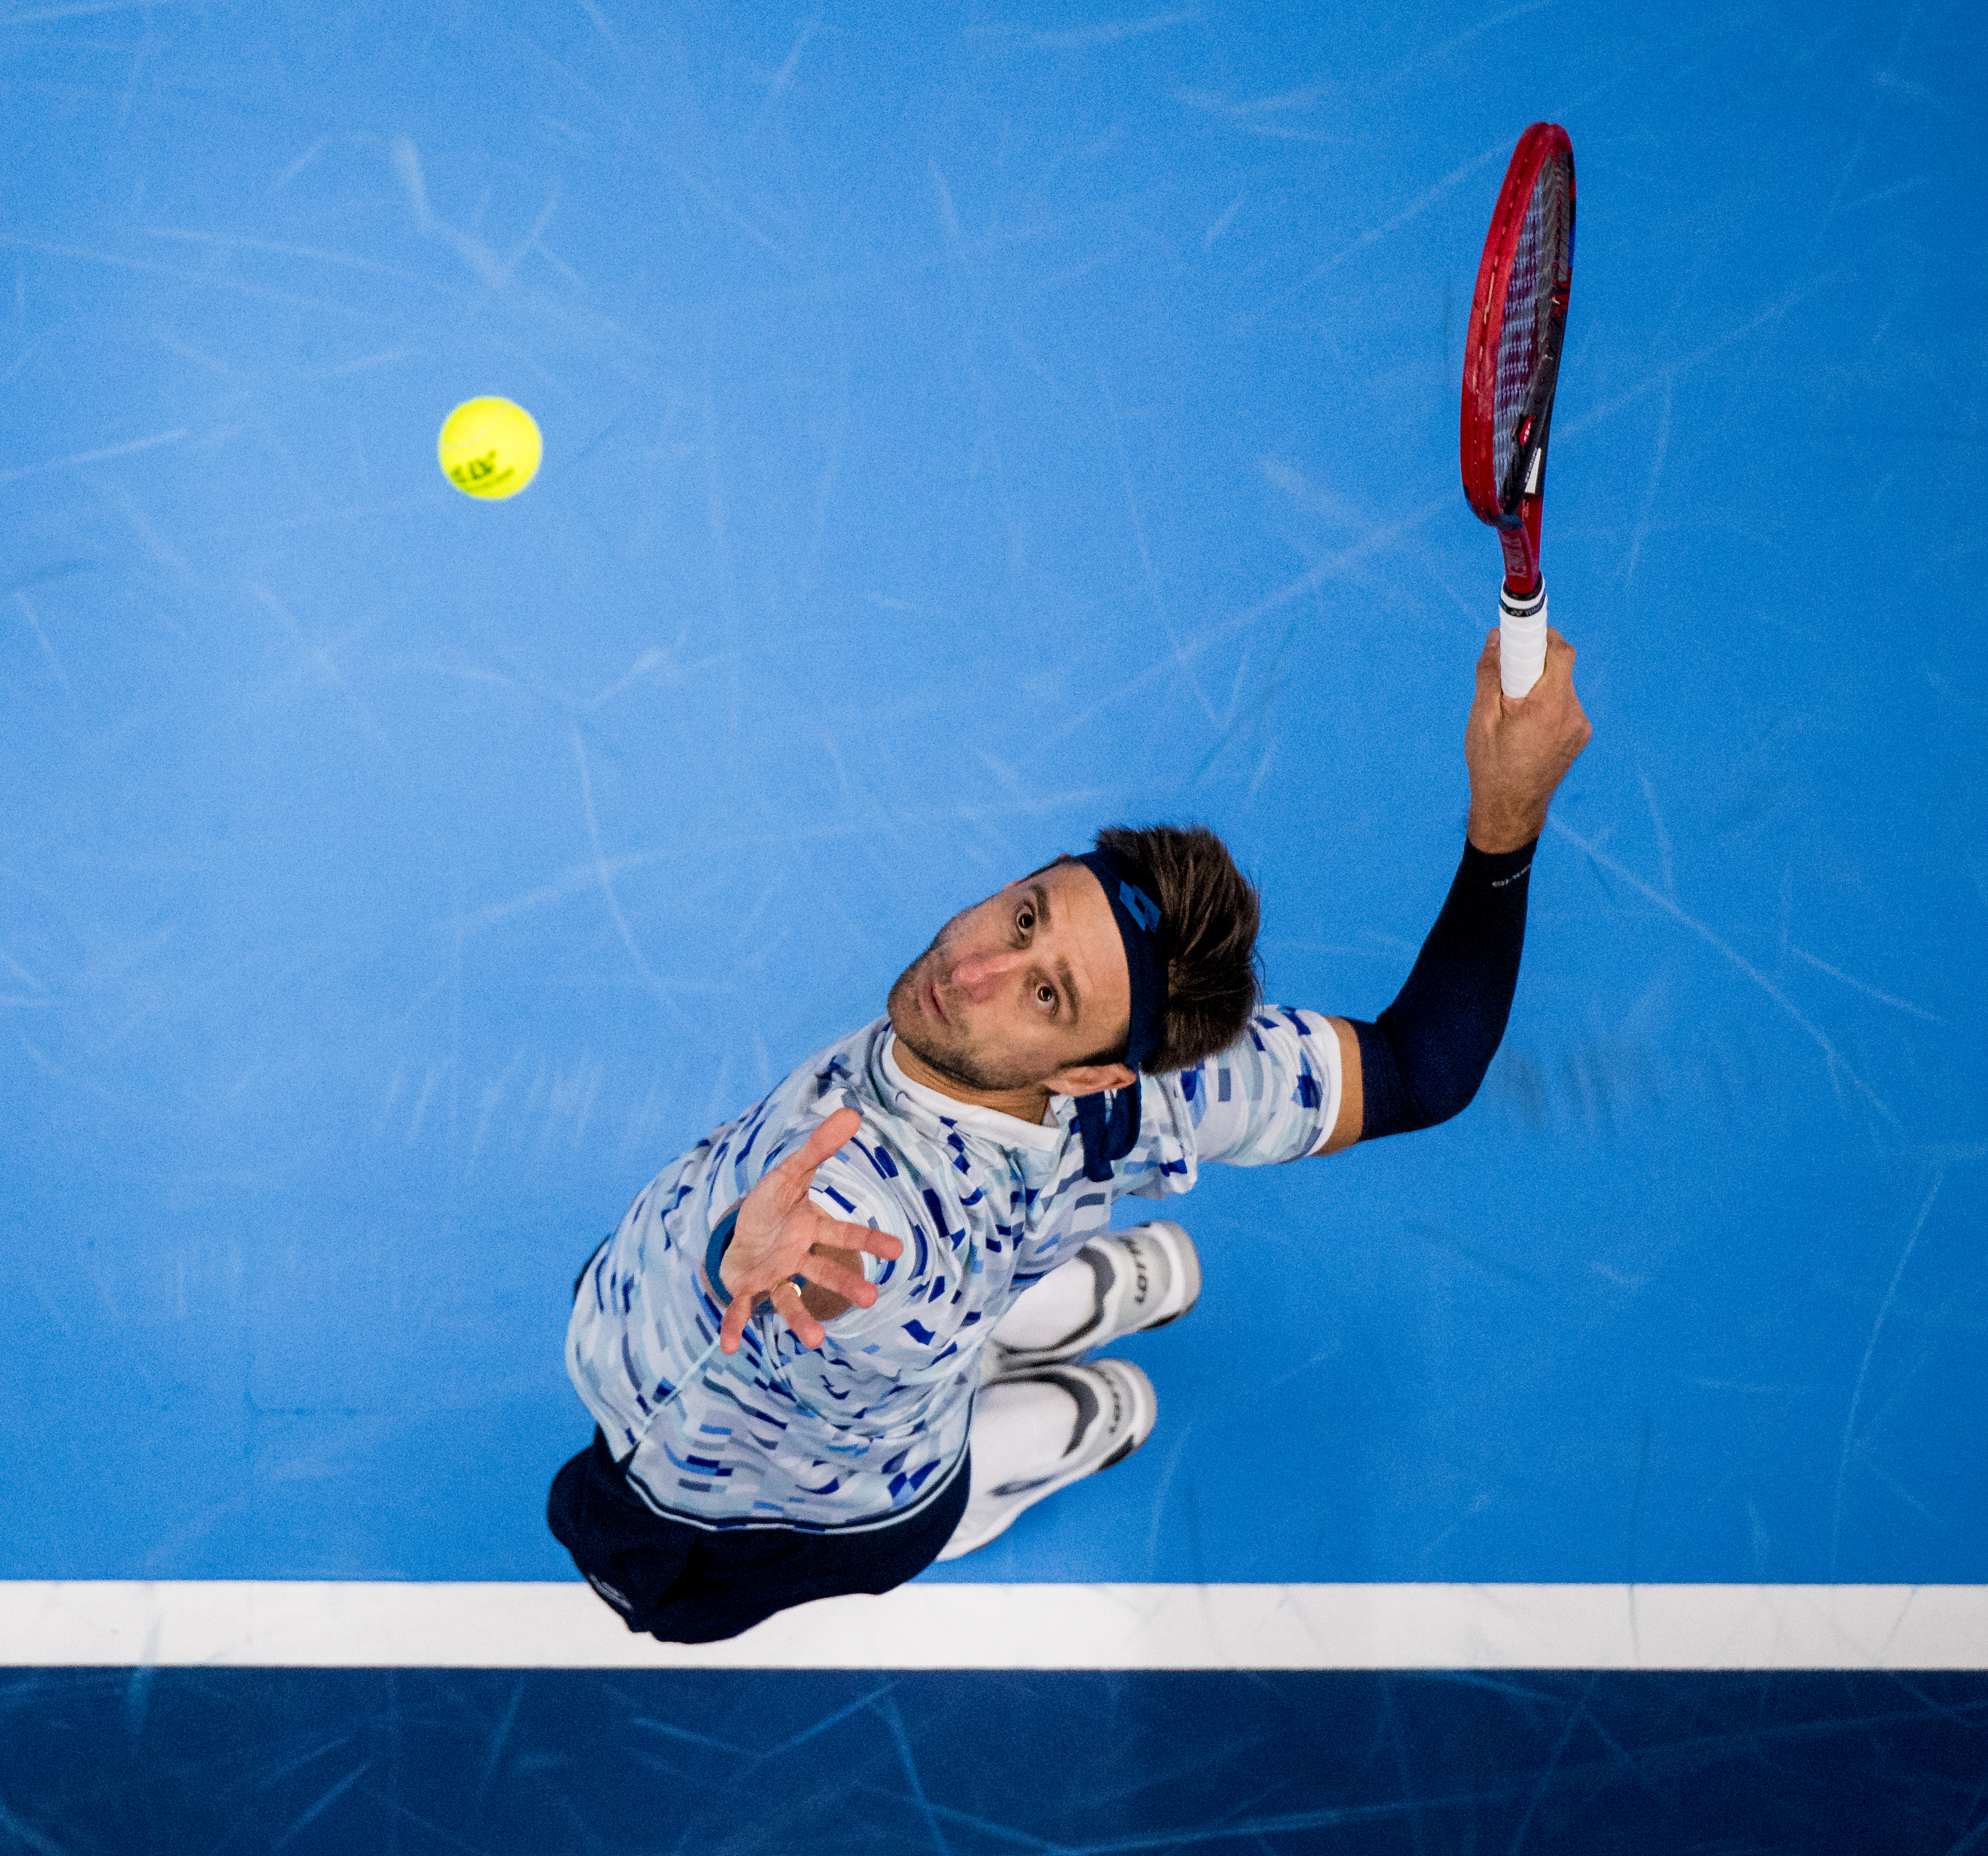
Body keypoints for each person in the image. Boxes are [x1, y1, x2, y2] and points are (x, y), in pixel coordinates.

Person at [550, 627, 1592, 1643]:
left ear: (1092, 1069)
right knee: (939, 1327)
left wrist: (758, 1252)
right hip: (933, 1287)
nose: (972, 971)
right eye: (1024, 917)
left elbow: (844, 1263)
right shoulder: (1163, 1085)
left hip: (783, 1482)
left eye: (1045, 993)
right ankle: (1004, 1325)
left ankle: (1001, 1465)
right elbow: (1421, 1068)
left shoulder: (887, 1218)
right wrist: (1506, 825)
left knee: (913, 1506)